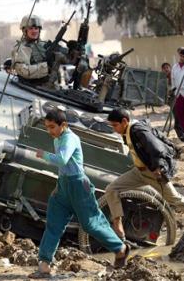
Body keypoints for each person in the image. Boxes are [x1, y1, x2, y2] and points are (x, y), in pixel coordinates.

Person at [30, 108, 130, 278]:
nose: (49, 131)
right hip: (63, 186)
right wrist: (59, 184)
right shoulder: (58, 138)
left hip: (78, 185)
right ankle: (44, 264)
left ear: (64, 125)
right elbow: (63, 167)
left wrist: (44, 155)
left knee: (91, 223)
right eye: (47, 127)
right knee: (53, 224)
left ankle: (120, 249)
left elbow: (62, 159)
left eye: (52, 127)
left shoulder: (70, 138)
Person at [105, 108, 184, 251]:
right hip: (138, 172)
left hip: (153, 173)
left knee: (175, 199)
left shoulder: (137, 130)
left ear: (124, 121)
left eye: (115, 126)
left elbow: (156, 148)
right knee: (112, 189)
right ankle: (118, 226)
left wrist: (158, 167)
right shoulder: (128, 131)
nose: (114, 129)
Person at [162, 62, 183, 139]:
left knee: (180, 116)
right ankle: (180, 133)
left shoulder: (174, 77)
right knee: (176, 116)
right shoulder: (163, 79)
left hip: (178, 98)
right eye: (164, 68)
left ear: (170, 68)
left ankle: (182, 132)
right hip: (171, 100)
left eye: (167, 67)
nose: (166, 69)